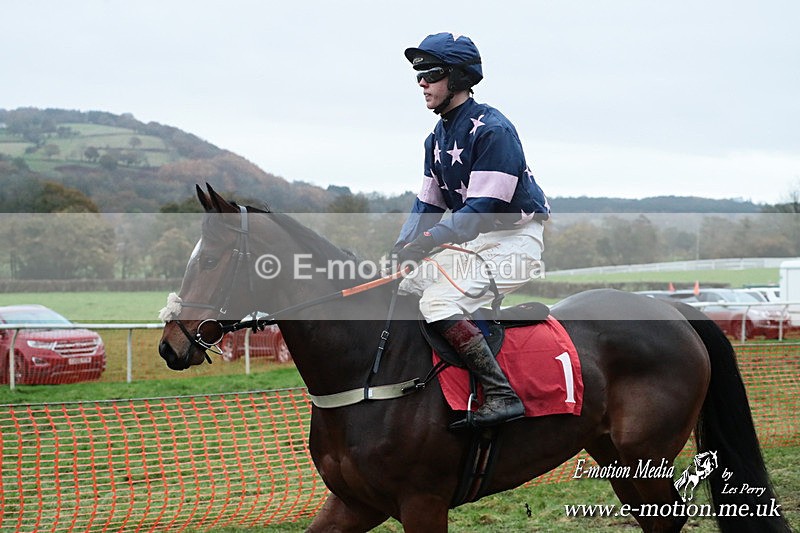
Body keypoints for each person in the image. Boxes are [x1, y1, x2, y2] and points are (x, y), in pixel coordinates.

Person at [394, 32, 550, 427]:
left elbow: (481, 210)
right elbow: (427, 205)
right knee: (400, 286)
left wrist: (429, 241)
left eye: (430, 73)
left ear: (459, 78)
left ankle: (501, 394)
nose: (421, 83)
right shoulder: (436, 138)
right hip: (473, 241)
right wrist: (402, 246)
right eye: (417, 75)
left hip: (516, 243)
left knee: (437, 304)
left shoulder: (493, 130)